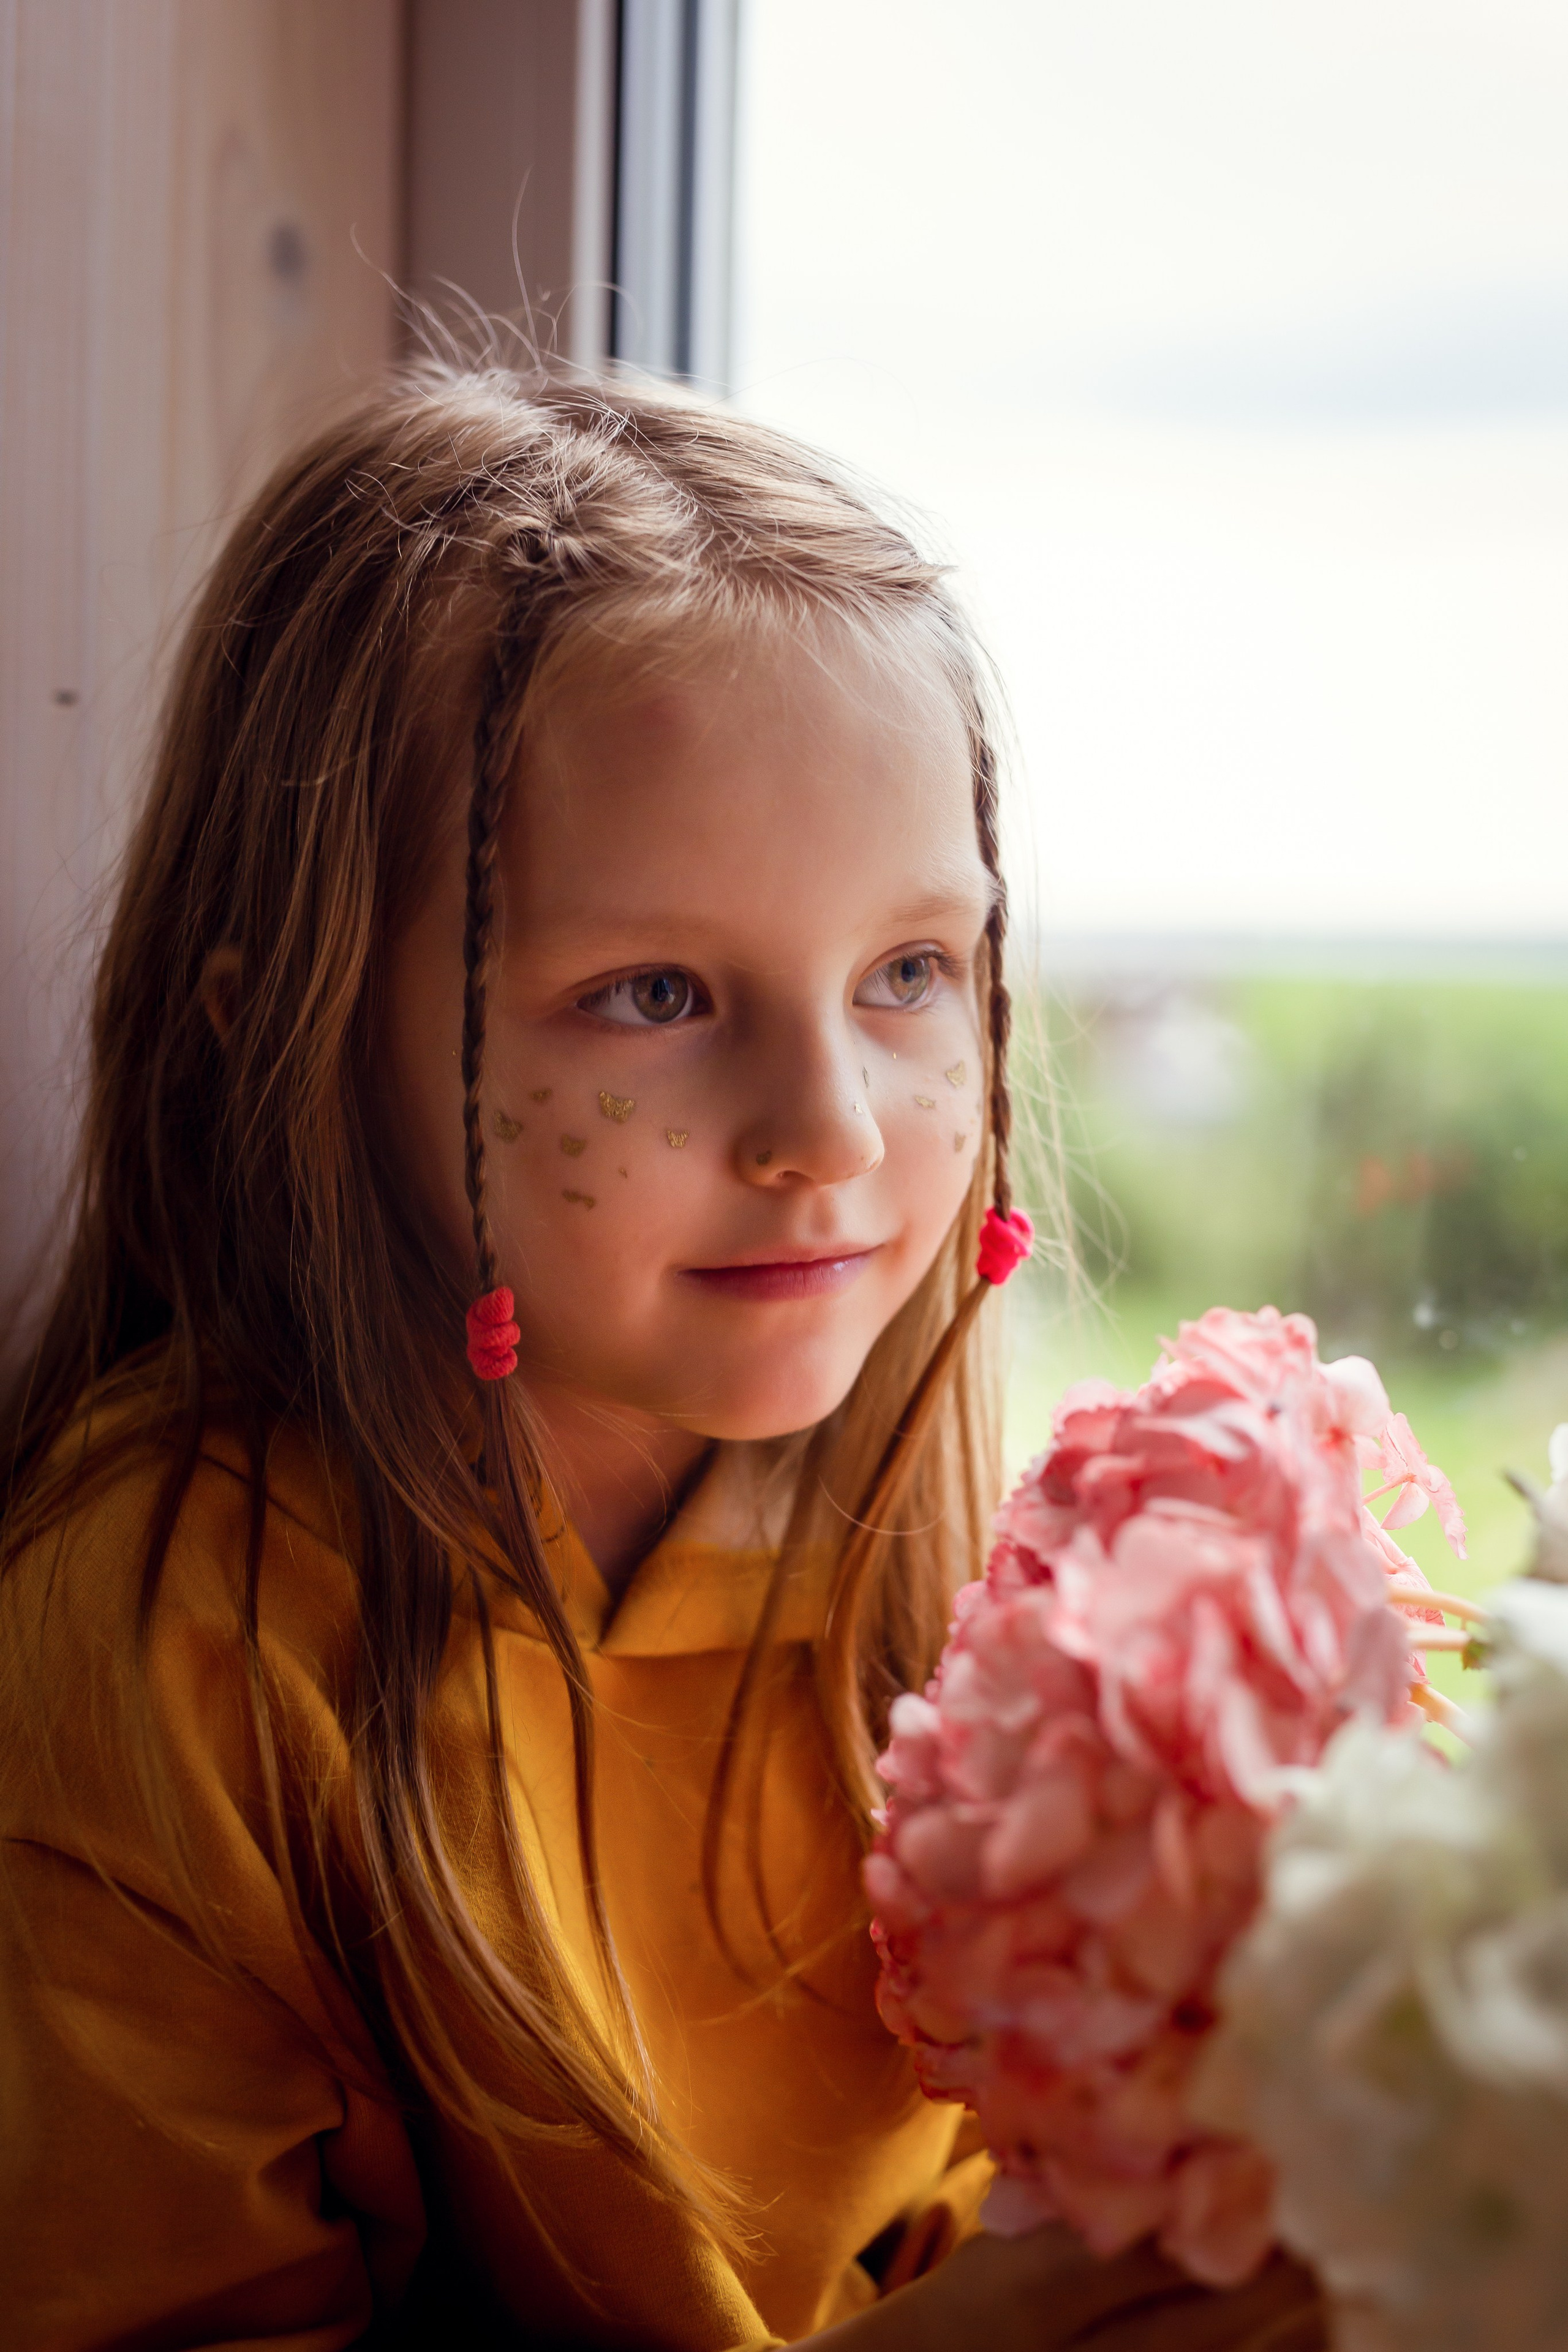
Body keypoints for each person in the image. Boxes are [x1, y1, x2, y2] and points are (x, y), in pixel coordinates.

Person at [0, 368, 1322, 2351]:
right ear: (287, 1045)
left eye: (906, 974)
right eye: (653, 993)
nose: (836, 1131)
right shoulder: (161, 1651)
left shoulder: (956, 1567)